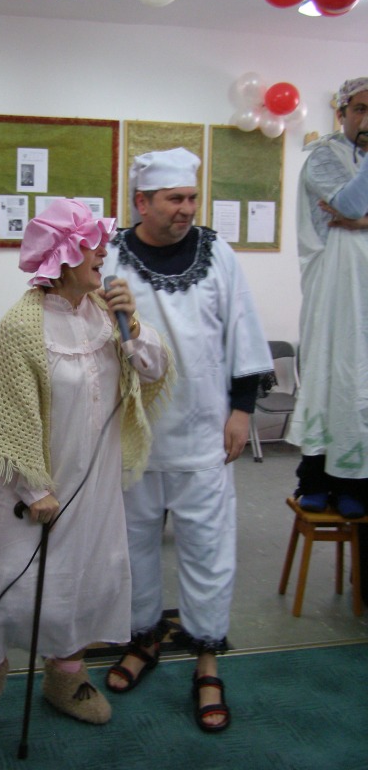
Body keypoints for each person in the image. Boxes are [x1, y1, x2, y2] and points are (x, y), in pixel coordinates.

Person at [0, 199, 173, 734]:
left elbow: (155, 368)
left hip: (95, 486)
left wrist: (133, 324)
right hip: (35, 490)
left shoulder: (107, 313)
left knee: (85, 582)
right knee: (11, 588)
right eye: (93, 245)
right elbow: (7, 422)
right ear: (65, 255)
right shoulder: (22, 326)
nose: (103, 253)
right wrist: (35, 490)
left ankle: (66, 677)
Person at [101, 148, 272, 733]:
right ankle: (144, 637)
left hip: (204, 431)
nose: (187, 208)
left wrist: (242, 411)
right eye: (175, 198)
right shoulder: (108, 254)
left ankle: (206, 657)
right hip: (133, 433)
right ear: (141, 202)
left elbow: (242, 330)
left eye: (192, 197)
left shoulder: (218, 254)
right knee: (133, 548)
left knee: (208, 549)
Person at [287, 77, 368, 602]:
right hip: (334, 287)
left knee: (362, 382)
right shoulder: (323, 157)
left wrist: (363, 220)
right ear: (342, 113)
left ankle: (356, 483)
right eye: (360, 109)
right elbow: (349, 203)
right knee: (331, 374)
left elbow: (359, 214)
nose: (367, 118)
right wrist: (359, 216)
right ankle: (316, 478)